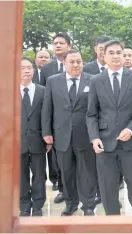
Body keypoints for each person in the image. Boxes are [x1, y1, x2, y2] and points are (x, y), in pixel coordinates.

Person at [86, 40, 132, 215]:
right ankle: (112, 218)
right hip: (105, 144)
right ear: (103, 56)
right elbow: (91, 113)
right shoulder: (96, 81)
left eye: (119, 52)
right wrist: (94, 137)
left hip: (130, 143)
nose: (115, 56)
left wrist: (130, 129)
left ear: (124, 55)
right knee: (108, 186)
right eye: (111, 53)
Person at [42, 49, 97, 216]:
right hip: (61, 135)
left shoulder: (92, 80)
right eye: (72, 62)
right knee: (66, 173)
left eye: (79, 61)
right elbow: (47, 108)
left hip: (85, 135)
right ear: (64, 64)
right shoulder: (53, 81)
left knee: (87, 172)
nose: (76, 65)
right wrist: (46, 132)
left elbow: (96, 108)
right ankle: (71, 203)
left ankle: (88, 205)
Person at [40, 32, 72, 204]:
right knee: (58, 161)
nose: (58, 45)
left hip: (76, 123)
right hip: (56, 124)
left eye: (61, 43)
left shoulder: (79, 65)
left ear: (69, 46)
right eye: (55, 43)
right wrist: (46, 128)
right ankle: (61, 189)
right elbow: (44, 101)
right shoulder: (46, 69)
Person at [19, 58, 50, 217]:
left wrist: (48, 135)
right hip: (17, 142)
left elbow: (48, 116)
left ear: (33, 70)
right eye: (23, 68)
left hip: (38, 139)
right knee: (21, 175)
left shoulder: (43, 91)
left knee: (39, 175)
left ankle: (38, 205)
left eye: (29, 68)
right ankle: (24, 205)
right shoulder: (8, 91)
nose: (26, 71)